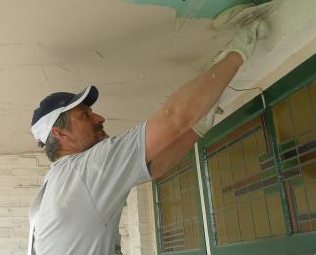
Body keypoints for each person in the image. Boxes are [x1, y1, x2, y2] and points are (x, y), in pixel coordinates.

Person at [28, 20, 268, 255]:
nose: (99, 118)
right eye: (85, 115)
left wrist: (198, 127)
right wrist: (238, 51)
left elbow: (151, 166)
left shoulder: (56, 183)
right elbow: (174, 117)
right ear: (59, 133)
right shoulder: (85, 170)